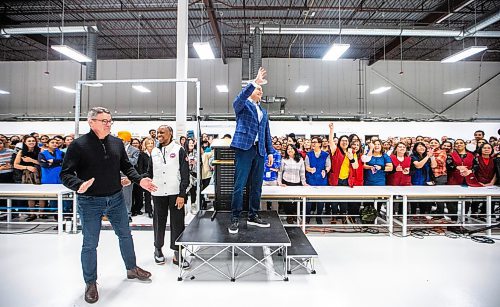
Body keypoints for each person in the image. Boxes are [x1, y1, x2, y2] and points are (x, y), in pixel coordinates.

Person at [60, 107, 157, 304]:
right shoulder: (78, 145)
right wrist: (78, 185)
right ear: (91, 122)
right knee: (90, 243)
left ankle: (132, 268)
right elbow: (65, 174)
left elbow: (126, 166)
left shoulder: (116, 143)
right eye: (104, 120)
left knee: (125, 234)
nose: (108, 124)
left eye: (110, 120)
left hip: (115, 199)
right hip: (90, 202)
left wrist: (139, 180)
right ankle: (91, 283)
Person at [228, 67, 276, 234]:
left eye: (261, 89)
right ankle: (235, 217)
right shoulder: (242, 106)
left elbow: (266, 133)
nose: (261, 91)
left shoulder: (263, 112)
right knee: (239, 185)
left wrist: (270, 152)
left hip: (260, 151)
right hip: (244, 149)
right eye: (258, 89)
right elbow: (239, 99)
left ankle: (253, 214)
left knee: (257, 185)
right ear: (250, 92)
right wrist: (254, 82)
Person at [148, 125, 190, 268]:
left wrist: (182, 194)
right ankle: (158, 248)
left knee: (177, 223)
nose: (159, 134)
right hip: (158, 192)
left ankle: (177, 253)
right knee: (159, 222)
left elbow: (185, 175)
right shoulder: (154, 151)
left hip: (175, 193)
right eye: (158, 132)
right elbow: (149, 172)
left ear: (170, 134)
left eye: (162, 132)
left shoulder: (179, 150)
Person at [278, 144, 308, 224]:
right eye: (288, 149)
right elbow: (280, 172)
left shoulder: (300, 159)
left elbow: (302, 172)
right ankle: (289, 216)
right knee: (287, 201)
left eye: (291, 148)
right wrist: (279, 182)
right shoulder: (284, 159)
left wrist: (304, 182)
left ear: (295, 150)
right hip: (286, 182)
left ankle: (295, 214)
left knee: (296, 200)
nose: (290, 150)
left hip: (297, 182)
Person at [305, 136, 330, 224]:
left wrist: (326, 170)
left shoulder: (325, 154)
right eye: (312, 142)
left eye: (315, 142)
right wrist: (310, 169)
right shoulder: (308, 154)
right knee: (308, 200)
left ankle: (318, 216)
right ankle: (307, 217)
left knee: (320, 200)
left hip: (322, 180)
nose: (313, 144)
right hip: (311, 179)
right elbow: (306, 166)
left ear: (319, 144)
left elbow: (328, 165)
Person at [117, 131, 140, 220]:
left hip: (127, 176)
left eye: (121, 139)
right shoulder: (115, 148)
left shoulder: (135, 150)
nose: (120, 141)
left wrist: (123, 156)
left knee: (127, 196)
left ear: (127, 140)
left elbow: (133, 162)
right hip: (115, 176)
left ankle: (127, 215)